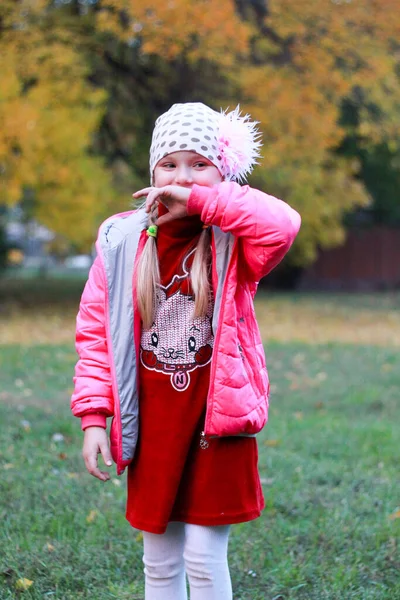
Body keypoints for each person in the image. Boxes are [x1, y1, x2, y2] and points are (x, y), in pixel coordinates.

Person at [71, 102, 301, 600]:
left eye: (199, 165)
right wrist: (94, 416)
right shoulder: (120, 239)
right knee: (160, 562)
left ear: (223, 172)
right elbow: (95, 335)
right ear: (152, 169)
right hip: (154, 427)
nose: (182, 176)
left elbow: (283, 224)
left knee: (202, 556)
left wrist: (205, 203)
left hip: (215, 428)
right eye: (170, 164)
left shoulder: (232, 237)